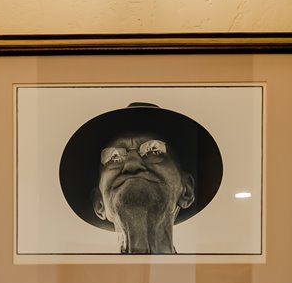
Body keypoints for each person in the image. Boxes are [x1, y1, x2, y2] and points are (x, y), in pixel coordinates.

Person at [57, 102, 223, 254]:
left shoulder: (209, 282)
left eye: (153, 151)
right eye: (114, 157)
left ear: (186, 190)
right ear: (100, 204)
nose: (132, 165)